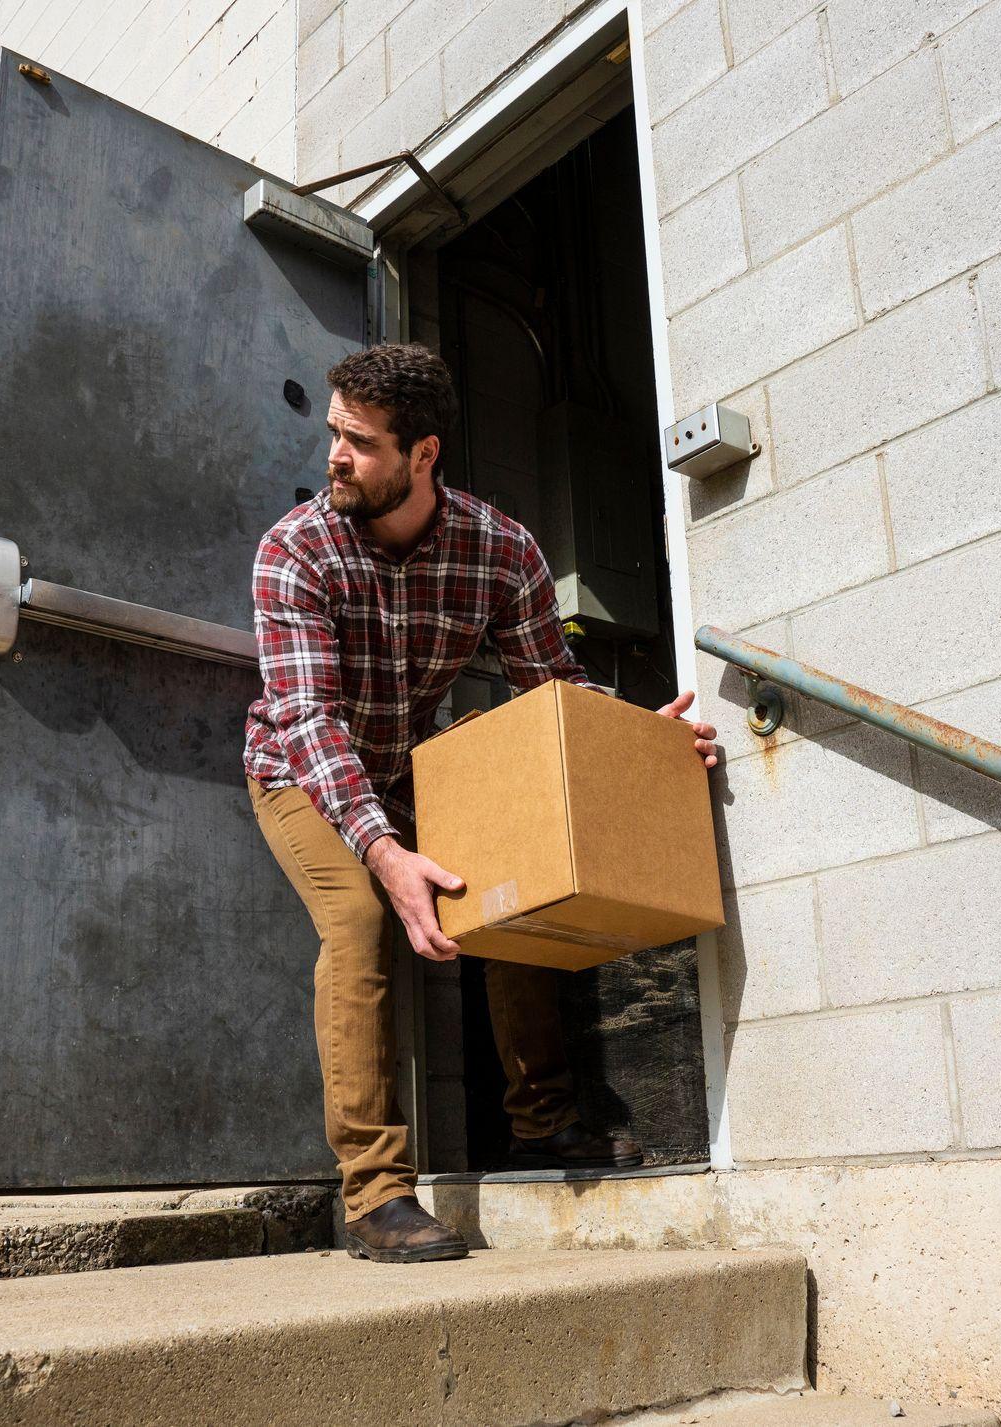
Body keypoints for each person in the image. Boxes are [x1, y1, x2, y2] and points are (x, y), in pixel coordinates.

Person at [243, 343, 719, 1264]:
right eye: (332, 431)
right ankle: (376, 1193)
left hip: (406, 764)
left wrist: (647, 747)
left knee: (508, 871)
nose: (332, 455)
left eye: (359, 441)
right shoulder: (294, 551)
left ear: (423, 455)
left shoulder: (500, 550)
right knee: (358, 919)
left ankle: (541, 1122)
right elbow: (309, 718)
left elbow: (554, 688)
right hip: (299, 769)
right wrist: (383, 852)